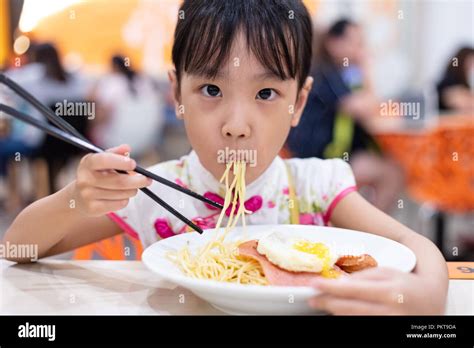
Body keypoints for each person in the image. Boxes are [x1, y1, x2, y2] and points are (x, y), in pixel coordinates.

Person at [4, 0, 448, 315]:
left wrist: (426, 295)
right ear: (177, 93)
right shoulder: (156, 191)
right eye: (211, 90)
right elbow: (17, 249)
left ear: (298, 102)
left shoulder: (316, 186)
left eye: (267, 93)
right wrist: (76, 198)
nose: (238, 123)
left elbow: (415, 246)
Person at [286, 19, 404, 212]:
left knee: (388, 166)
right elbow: (363, 107)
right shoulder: (326, 74)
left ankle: (362, 225)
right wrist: (367, 67)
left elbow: (369, 105)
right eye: (355, 42)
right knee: (392, 173)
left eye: (361, 43)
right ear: (333, 44)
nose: (360, 48)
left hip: (334, 155)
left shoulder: (341, 73)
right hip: (322, 159)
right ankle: (371, 230)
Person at [437, 46, 474, 113]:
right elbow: (461, 104)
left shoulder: (462, 80)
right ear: (462, 60)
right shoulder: (449, 80)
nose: (472, 66)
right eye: (470, 61)